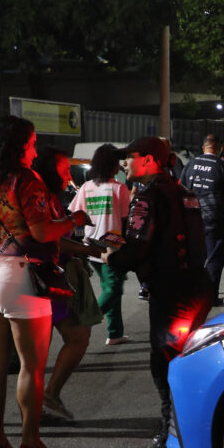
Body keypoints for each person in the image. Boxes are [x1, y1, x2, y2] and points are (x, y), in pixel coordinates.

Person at [0, 115, 90, 448]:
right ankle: (31, 444)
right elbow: (42, 231)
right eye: (29, 144)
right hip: (19, 273)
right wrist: (73, 221)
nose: (33, 151)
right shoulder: (24, 179)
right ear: (17, 146)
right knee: (31, 365)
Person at [103, 136, 211, 448]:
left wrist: (112, 256)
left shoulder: (148, 197)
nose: (126, 164)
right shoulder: (185, 192)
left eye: (131, 158)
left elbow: (137, 249)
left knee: (166, 366)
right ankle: (195, 435)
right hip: (197, 286)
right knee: (188, 362)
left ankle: (170, 442)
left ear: (150, 160)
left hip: (172, 292)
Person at [31, 148, 103, 423]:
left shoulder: (50, 197)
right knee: (56, 344)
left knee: (69, 339)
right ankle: (38, 408)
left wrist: (86, 250)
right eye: (62, 171)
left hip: (54, 274)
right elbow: (47, 239)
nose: (68, 176)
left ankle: (43, 402)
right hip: (46, 278)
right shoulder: (37, 198)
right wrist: (85, 244)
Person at [70, 144, 132, 346]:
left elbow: (75, 214)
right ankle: (84, 322)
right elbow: (125, 218)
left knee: (109, 286)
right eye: (117, 163)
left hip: (91, 245)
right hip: (111, 247)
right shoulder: (119, 188)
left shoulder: (87, 187)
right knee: (113, 289)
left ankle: (115, 333)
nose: (120, 166)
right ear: (111, 165)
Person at [181, 134, 224, 306]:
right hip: (214, 218)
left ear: (204, 148)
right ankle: (210, 296)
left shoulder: (191, 164)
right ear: (219, 148)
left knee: (194, 257)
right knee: (214, 257)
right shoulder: (223, 166)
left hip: (192, 218)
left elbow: (181, 189)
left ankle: (191, 294)